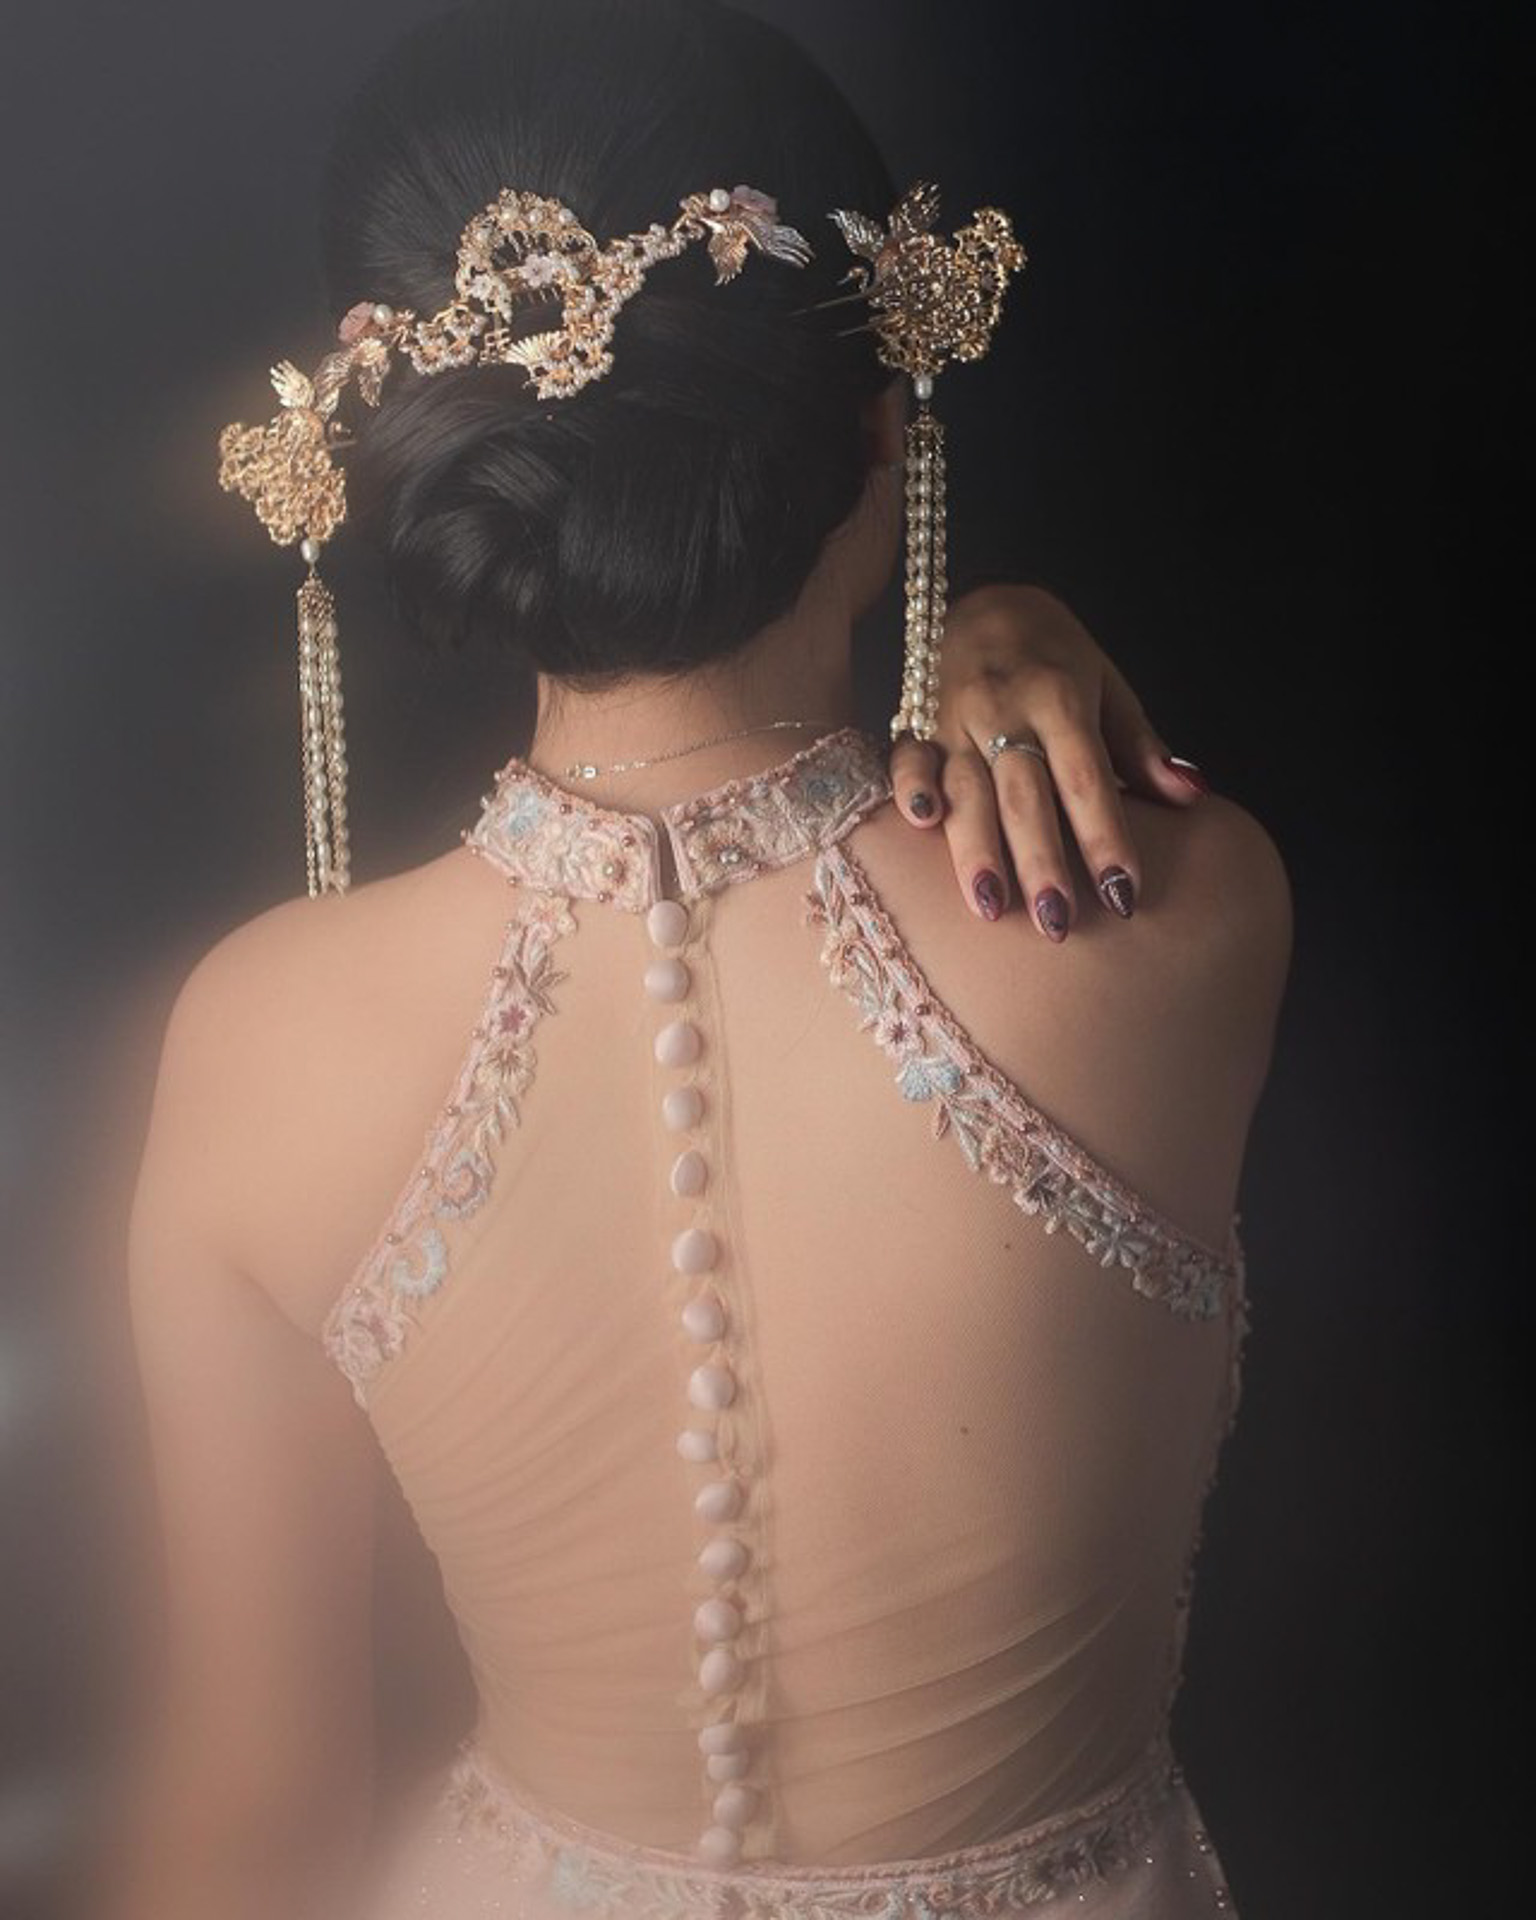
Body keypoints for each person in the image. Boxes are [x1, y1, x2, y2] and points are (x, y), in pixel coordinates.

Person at [96, 2, 1292, 1916]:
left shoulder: (257, 1043)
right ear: (887, 422)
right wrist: (1006, 615)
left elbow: (248, 1810)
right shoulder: (1184, 910)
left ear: (425, 464)